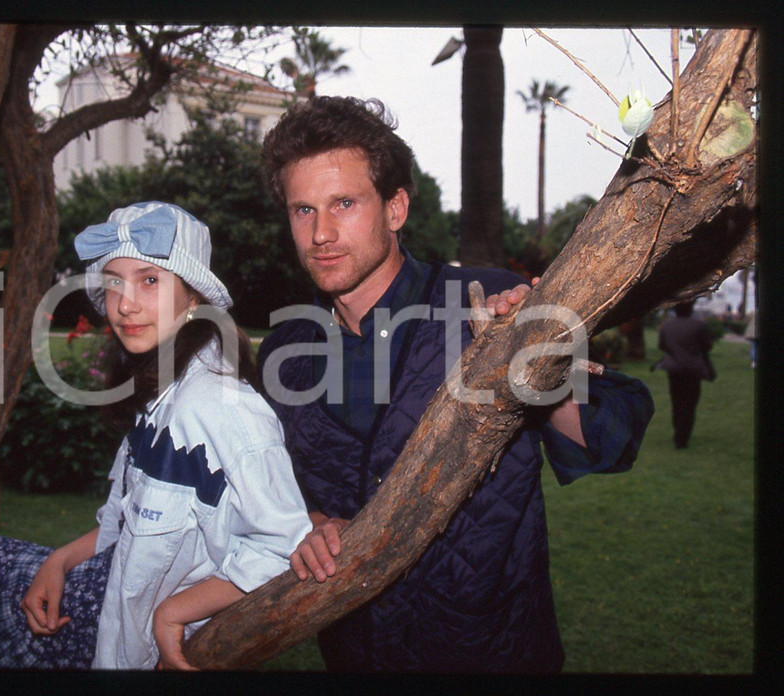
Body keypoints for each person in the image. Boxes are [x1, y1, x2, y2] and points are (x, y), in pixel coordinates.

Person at [256, 96, 654, 673]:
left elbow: (614, 438)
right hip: (357, 650)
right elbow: (268, 487)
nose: (321, 232)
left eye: (344, 203)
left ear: (395, 208)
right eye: (302, 210)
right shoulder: (286, 350)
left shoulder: (483, 302)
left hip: (495, 649)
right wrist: (311, 523)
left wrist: (529, 361)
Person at [0, 201, 311, 670]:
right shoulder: (163, 393)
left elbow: (284, 545)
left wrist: (176, 612)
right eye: (114, 282)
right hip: (106, 589)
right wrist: (60, 562)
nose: (125, 304)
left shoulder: (221, 408)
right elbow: (130, 520)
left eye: (150, 280)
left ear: (194, 298)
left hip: (114, 632)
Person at [655, 300, 714, 449]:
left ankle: (678, 432)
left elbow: (662, 346)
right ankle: (683, 436)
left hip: (674, 369)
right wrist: (709, 368)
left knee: (677, 401)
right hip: (693, 370)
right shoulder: (699, 326)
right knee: (690, 403)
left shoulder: (667, 326)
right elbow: (706, 348)